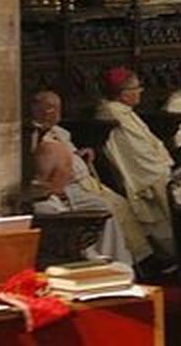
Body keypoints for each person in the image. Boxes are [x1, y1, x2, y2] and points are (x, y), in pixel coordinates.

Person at [30, 91, 150, 262]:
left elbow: (65, 157)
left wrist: (79, 154)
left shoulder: (58, 132)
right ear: (42, 110)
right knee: (105, 209)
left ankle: (130, 259)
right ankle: (112, 258)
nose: (57, 113)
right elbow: (45, 168)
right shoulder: (33, 135)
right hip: (66, 190)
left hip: (80, 183)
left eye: (58, 108)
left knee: (119, 204)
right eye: (52, 108)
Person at [98, 67, 175, 255]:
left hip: (156, 168)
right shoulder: (115, 116)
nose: (141, 90)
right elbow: (139, 157)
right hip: (148, 177)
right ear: (123, 94)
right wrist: (166, 169)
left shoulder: (123, 111)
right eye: (137, 87)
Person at [30, 141, 134, 265]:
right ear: (56, 174)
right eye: (68, 168)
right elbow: (73, 253)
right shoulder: (48, 210)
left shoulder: (50, 199)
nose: (71, 174)